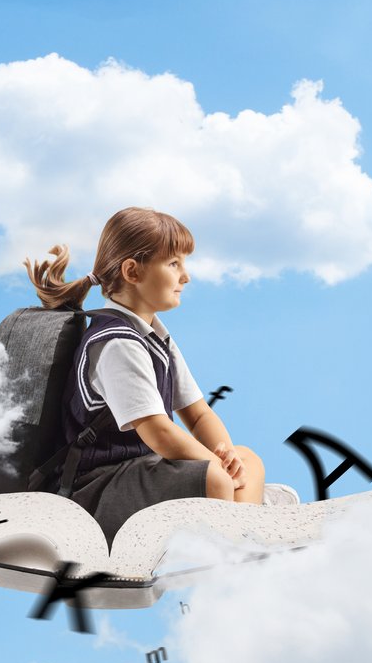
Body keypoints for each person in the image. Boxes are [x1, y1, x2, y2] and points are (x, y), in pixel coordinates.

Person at [23, 206, 267, 544]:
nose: (186, 276)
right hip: (93, 492)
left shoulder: (155, 337)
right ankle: (234, 537)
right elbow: (159, 432)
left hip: (138, 474)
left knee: (247, 459)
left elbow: (197, 414)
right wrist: (217, 467)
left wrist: (226, 455)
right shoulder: (116, 343)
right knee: (216, 477)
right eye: (173, 264)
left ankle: (241, 537)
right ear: (133, 272)